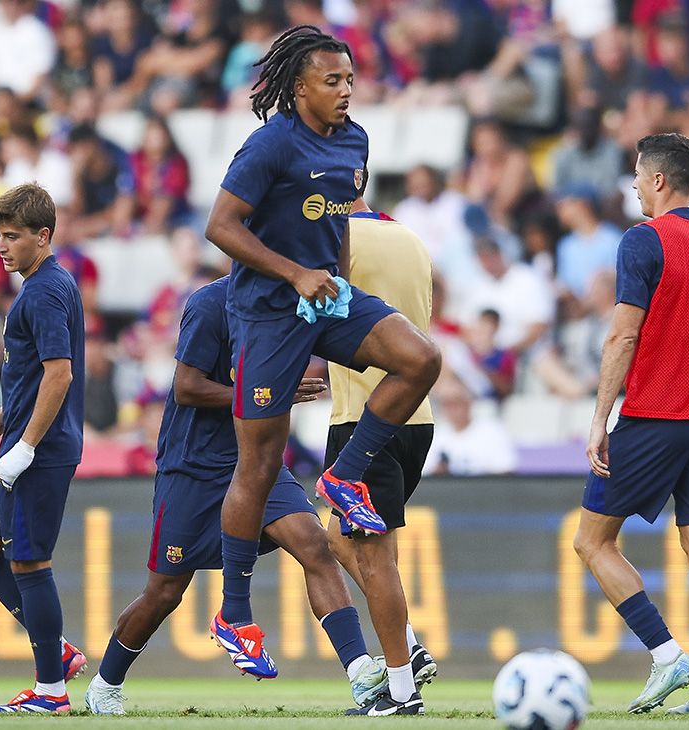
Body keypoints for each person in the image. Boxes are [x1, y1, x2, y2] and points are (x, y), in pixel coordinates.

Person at [203, 25, 440, 697]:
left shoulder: (356, 141)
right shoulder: (271, 144)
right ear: (299, 86)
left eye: (349, 81)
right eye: (332, 82)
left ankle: (345, 477)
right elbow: (220, 225)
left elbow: (334, 221)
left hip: (327, 298)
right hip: (265, 314)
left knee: (420, 360)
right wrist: (294, 275)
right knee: (260, 463)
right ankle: (236, 614)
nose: (345, 92)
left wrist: (335, 282)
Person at [83, 278, 387, 715]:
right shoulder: (210, 304)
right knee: (165, 592)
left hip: (257, 458)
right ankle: (106, 683)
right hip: (194, 465)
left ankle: (361, 674)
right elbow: (187, 387)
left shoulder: (292, 302)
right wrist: (264, 397)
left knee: (315, 545)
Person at [574, 133, 689, 716]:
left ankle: (667, 654)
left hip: (657, 413)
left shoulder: (643, 240)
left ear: (657, 181)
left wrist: (600, 417)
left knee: (592, 540)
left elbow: (624, 333)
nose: (633, 186)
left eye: (637, 176)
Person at [0, 184, 86, 713]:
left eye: (12, 236)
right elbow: (36, 376)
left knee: (30, 564)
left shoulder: (43, 292)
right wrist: (2, 417)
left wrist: (27, 444)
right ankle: (55, 651)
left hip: (42, 447)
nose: (2, 247)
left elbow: (60, 374)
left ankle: (51, 690)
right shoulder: (45, 285)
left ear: (44, 236)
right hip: (22, 437)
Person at [324, 200, 439, 715]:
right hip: (418, 418)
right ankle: (407, 643)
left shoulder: (333, 239)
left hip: (364, 415)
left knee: (375, 556)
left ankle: (399, 690)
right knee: (336, 540)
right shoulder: (412, 241)